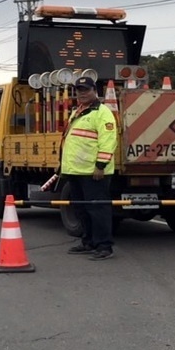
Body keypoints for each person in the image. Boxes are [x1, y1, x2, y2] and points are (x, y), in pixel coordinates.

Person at [57, 75, 118, 260]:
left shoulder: (102, 112)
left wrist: (100, 166)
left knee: (98, 210)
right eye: (79, 91)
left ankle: (104, 246)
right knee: (81, 210)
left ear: (94, 91)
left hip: (93, 173)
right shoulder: (78, 111)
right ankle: (89, 242)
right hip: (75, 171)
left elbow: (108, 142)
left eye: (86, 90)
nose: (82, 94)